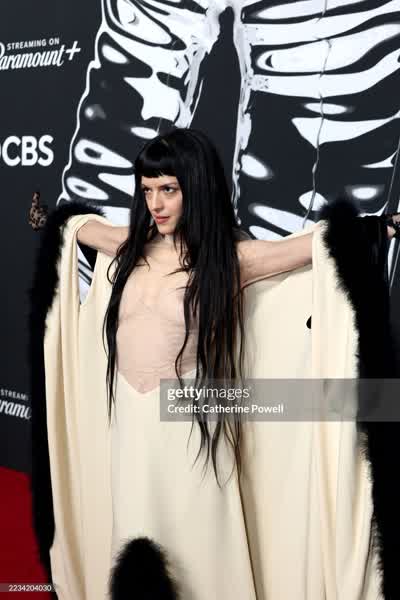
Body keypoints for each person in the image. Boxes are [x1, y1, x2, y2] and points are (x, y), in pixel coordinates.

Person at [29, 127, 400, 600]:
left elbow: (308, 246)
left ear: (196, 187)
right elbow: (80, 228)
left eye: (169, 189)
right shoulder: (129, 246)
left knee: (195, 543)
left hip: (187, 422)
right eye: (147, 190)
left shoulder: (230, 259)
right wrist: (52, 221)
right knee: (133, 528)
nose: (156, 204)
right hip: (129, 420)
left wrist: (383, 225)